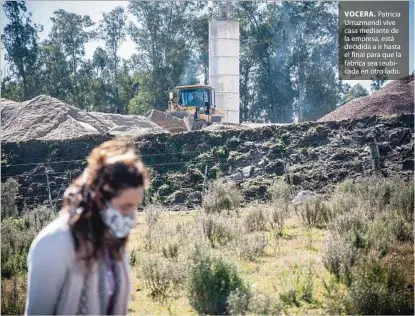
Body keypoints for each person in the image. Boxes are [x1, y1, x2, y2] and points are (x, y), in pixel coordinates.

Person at [24, 139, 150, 315]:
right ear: (100, 198)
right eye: (125, 206)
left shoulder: (113, 243)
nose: (131, 216)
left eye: (135, 207)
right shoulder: (54, 243)